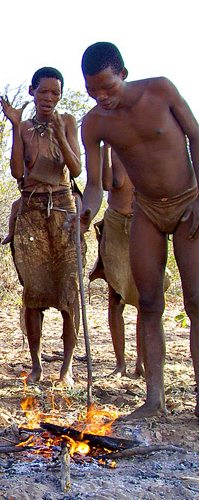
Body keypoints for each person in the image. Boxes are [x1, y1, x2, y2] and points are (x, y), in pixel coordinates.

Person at [80, 42, 199, 418]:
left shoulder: (160, 90)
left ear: (124, 75)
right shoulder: (94, 123)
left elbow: (196, 137)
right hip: (145, 211)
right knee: (149, 303)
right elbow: (95, 184)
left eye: (107, 88)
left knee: (196, 302)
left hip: (189, 203)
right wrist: (84, 214)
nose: (102, 97)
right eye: (92, 91)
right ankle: (154, 399)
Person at [0, 67, 82, 387]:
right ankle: (36, 364)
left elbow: (75, 168)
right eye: (43, 91)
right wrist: (14, 126)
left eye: (55, 93)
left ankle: (67, 367)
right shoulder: (24, 127)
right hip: (32, 209)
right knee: (34, 291)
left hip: (63, 208)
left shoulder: (68, 122)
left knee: (69, 289)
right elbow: (17, 171)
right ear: (32, 91)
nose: (49, 98)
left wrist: (60, 135)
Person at [89, 144, 145, 378]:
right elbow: (106, 184)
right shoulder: (110, 150)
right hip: (114, 226)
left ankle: (141, 362)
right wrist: (107, 149)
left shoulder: (146, 147)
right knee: (115, 298)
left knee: (145, 298)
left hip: (142, 224)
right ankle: (120, 363)